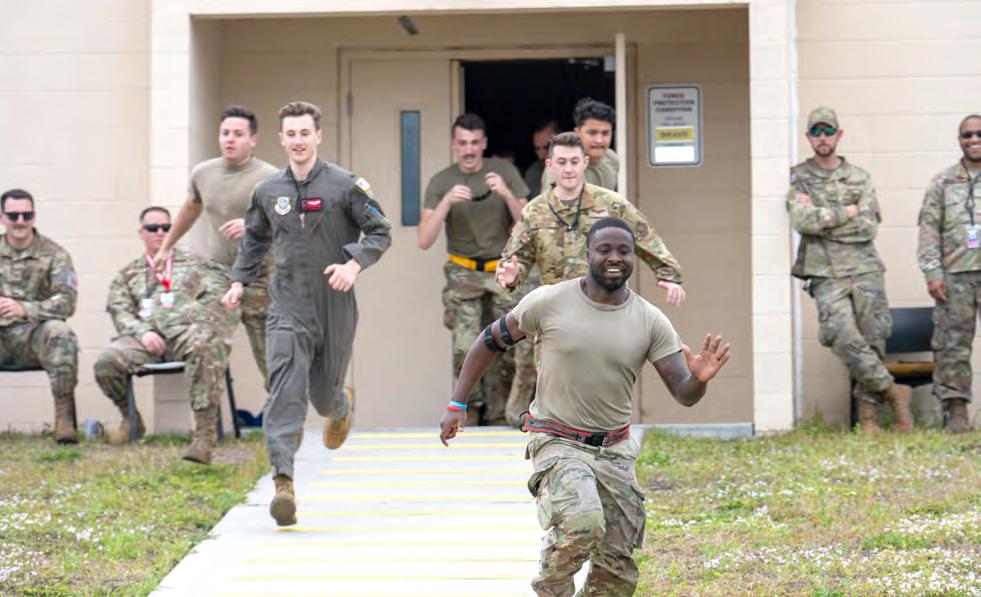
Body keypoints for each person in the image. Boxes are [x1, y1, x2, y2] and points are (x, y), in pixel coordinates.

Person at [441, 217, 729, 596]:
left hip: (614, 450)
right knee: (583, 521)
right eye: (604, 250)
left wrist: (700, 379)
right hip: (557, 440)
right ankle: (551, 586)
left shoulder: (650, 320)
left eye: (624, 251)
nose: (615, 258)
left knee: (617, 570)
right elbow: (490, 340)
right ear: (588, 254)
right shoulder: (549, 301)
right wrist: (458, 402)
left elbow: (684, 392)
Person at [222, 100, 391, 526]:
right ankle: (283, 483)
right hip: (287, 303)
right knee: (284, 391)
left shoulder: (346, 185)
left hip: (334, 303)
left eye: (305, 133)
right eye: (291, 134)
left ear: (318, 136)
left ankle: (339, 405)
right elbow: (254, 240)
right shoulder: (267, 191)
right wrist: (239, 281)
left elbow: (380, 231)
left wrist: (353, 265)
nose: (298, 141)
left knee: (321, 395)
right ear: (281, 139)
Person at [788, 107, 912, 433]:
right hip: (825, 273)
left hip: (866, 269)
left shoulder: (860, 177)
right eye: (816, 132)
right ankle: (892, 391)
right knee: (840, 334)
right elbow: (802, 221)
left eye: (828, 131)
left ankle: (869, 419)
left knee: (873, 338)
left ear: (838, 135)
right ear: (808, 137)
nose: (823, 137)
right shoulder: (799, 176)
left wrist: (824, 219)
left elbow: (868, 227)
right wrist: (849, 211)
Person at [417, 113, 529, 425]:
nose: (468, 150)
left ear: (484, 144)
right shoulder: (441, 181)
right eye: (462, 143)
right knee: (465, 347)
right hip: (463, 271)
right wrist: (446, 203)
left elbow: (529, 225)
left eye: (474, 143)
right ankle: (472, 408)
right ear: (453, 145)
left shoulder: (504, 172)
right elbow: (424, 239)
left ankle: (501, 413)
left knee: (509, 346)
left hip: (501, 269)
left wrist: (506, 193)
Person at [94, 207, 231, 462]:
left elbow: (218, 300)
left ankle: (204, 434)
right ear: (141, 233)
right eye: (152, 228)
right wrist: (143, 332)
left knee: (205, 345)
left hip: (187, 335)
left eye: (166, 228)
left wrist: (196, 322)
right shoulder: (128, 274)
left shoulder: (196, 266)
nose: (160, 233)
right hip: (146, 341)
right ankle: (131, 420)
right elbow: (120, 311)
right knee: (106, 362)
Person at [154, 105, 278, 384]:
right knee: (206, 340)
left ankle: (288, 410)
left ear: (253, 140)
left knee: (272, 360)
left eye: (238, 134)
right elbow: (190, 209)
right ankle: (206, 413)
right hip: (219, 272)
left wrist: (252, 226)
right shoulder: (203, 173)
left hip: (261, 275)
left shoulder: (270, 178)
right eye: (225, 133)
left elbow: (290, 222)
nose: (230, 139)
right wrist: (166, 247)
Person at [916, 113, 981, 433]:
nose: (974, 139)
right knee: (953, 347)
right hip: (955, 276)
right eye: (967, 135)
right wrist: (932, 273)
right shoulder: (942, 182)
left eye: (979, 133)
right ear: (959, 140)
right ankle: (956, 414)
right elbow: (928, 229)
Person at [0, 188, 80, 443]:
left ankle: (64, 419)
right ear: (2, 217)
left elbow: (67, 302)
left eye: (26, 215)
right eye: (13, 215)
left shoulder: (55, 255)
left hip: (35, 337)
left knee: (61, 333)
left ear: (34, 216)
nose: (20, 221)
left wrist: (25, 309)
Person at [542, 98, 620, 192]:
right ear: (577, 133)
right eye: (592, 133)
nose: (599, 140)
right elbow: (549, 201)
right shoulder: (561, 165)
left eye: (605, 133)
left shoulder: (612, 159)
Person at [523, 119, 557, 198]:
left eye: (547, 147)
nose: (541, 155)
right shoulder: (533, 173)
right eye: (537, 149)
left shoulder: (579, 165)